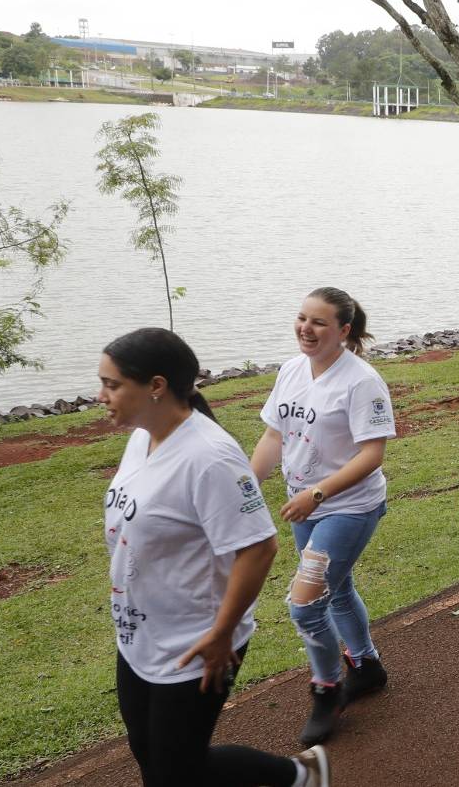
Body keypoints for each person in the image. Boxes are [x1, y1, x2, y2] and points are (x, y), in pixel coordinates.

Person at [100, 328, 329, 787]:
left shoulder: (209, 457)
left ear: (156, 386)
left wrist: (223, 632)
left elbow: (259, 547)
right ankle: (297, 774)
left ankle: (297, 775)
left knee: (173, 772)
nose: (101, 395)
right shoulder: (143, 437)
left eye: (112, 384)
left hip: (199, 639)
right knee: (151, 753)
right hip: (140, 634)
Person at [250, 287, 397, 747]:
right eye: (301, 318)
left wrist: (319, 493)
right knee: (337, 591)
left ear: (344, 331)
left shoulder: (362, 381)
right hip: (304, 506)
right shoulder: (292, 370)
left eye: (318, 322)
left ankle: (326, 689)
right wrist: (246, 492)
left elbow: (372, 453)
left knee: (305, 603)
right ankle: (366, 665)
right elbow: (275, 436)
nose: (305, 329)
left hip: (348, 507)